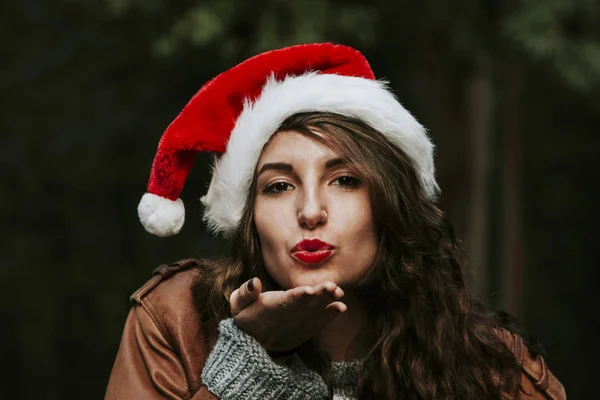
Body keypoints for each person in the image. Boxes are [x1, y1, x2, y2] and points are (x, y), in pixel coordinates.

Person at [105, 43, 566, 399]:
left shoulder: (496, 369)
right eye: (278, 186)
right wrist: (247, 365)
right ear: (250, 221)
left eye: (344, 180)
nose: (310, 211)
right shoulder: (175, 320)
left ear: (390, 204)